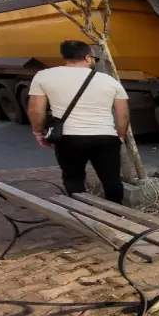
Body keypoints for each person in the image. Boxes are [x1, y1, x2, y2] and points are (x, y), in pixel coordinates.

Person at [27, 40, 129, 203]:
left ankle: (82, 212)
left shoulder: (44, 76)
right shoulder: (109, 80)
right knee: (112, 180)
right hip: (105, 137)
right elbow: (122, 114)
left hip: (69, 138)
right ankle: (119, 215)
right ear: (88, 58)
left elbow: (36, 110)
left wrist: (38, 132)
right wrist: (120, 135)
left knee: (73, 177)